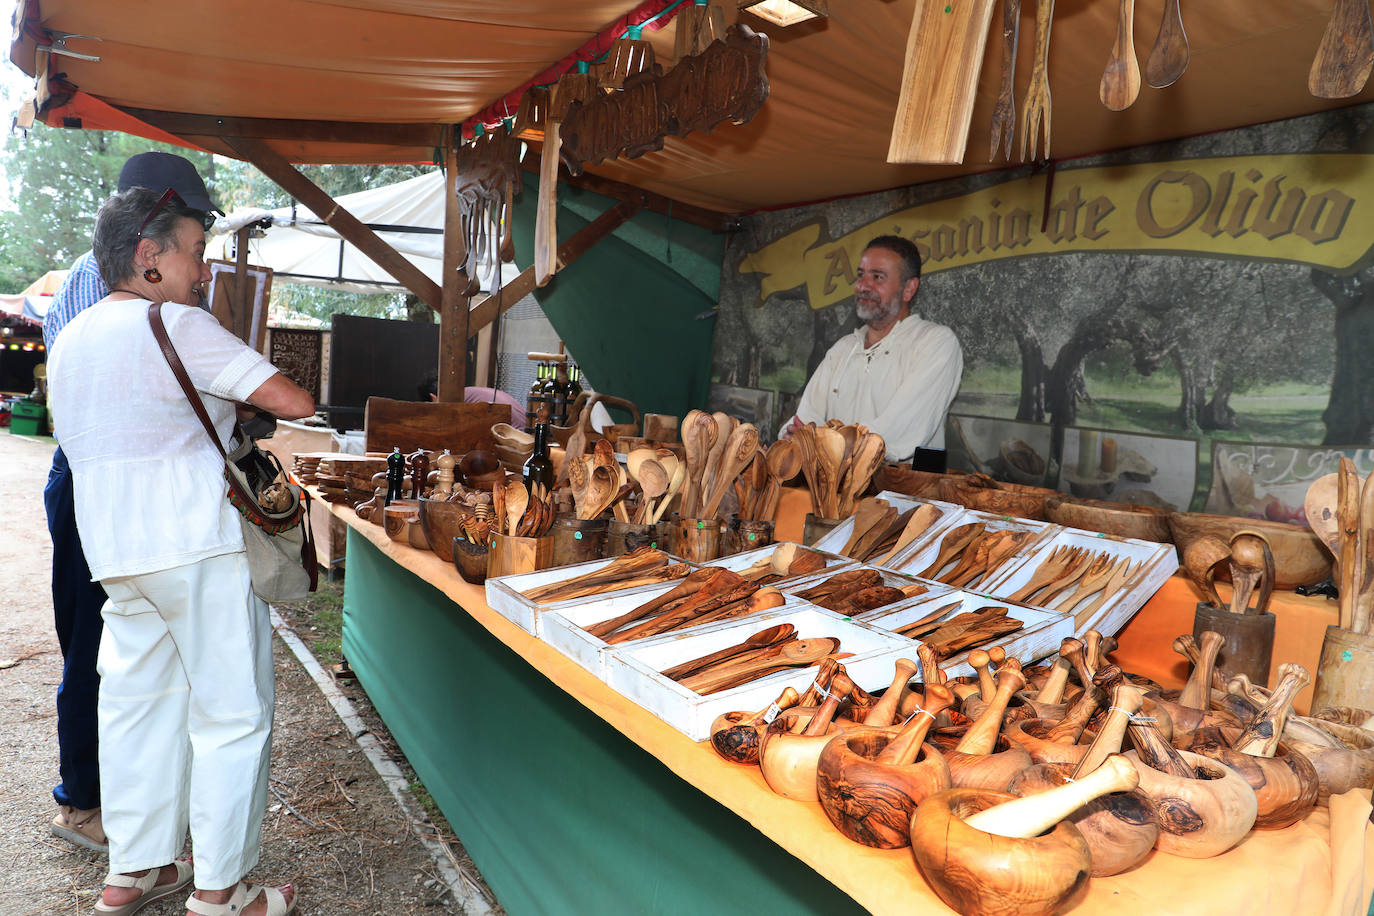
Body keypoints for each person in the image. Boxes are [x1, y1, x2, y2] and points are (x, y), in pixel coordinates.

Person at [48, 187, 310, 915]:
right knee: (232, 714)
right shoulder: (176, 324)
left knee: (138, 709)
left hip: (117, 553)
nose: (202, 271)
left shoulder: (71, 338)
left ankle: (134, 872)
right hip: (198, 543)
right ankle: (223, 892)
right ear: (147, 256)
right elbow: (295, 401)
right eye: (194, 253)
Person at [43, 152, 220, 855]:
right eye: (188, 234)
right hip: (94, 475)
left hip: (105, 474)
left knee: (127, 645)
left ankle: (128, 798)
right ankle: (83, 799)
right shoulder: (104, 290)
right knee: (93, 643)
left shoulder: (131, 287)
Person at [784, 235, 963, 465]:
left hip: (903, 498)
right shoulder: (843, 348)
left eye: (877, 277)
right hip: (831, 492)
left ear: (909, 288)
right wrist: (797, 435)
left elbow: (894, 435)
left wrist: (816, 441)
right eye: (860, 275)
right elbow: (805, 420)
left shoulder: (936, 343)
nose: (863, 286)